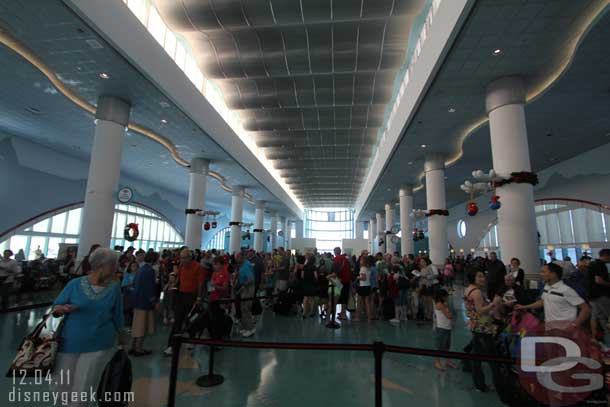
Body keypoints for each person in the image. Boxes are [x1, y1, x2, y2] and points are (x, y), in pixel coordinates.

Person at [51, 248, 127, 407]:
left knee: (84, 387)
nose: (115, 268)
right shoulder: (75, 284)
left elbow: (118, 315)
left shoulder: (113, 288)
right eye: (113, 265)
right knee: (61, 386)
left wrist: (122, 340)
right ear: (101, 265)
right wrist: (62, 309)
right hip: (69, 343)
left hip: (99, 345)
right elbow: (57, 305)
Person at [515, 262, 590, 330]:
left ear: (553, 274)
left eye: (543, 272)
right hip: (550, 328)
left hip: (565, 330)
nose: (540, 274)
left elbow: (586, 309)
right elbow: (542, 302)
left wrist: (574, 325)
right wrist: (524, 307)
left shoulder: (566, 290)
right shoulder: (546, 287)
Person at [464, 269, 502, 392]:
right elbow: (480, 310)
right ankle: (498, 384)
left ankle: (479, 384)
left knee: (477, 355)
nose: (483, 279)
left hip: (475, 325)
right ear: (473, 278)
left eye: (483, 276)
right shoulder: (477, 293)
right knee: (492, 356)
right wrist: (494, 303)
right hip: (483, 327)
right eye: (479, 276)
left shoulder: (468, 289)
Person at [164, 248, 207, 356]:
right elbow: (179, 279)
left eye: (184, 258)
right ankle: (171, 346)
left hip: (192, 297)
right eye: (181, 258)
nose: (182, 260)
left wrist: (199, 298)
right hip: (181, 295)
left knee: (190, 321)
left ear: (190, 257)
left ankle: (192, 340)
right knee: (177, 321)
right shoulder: (182, 266)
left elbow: (201, 284)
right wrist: (172, 285)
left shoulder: (199, 268)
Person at [130, 251, 160, 356]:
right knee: (141, 326)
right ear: (154, 259)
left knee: (136, 325)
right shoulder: (149, 271)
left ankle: (133, 346)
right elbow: (149, 289)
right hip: (144, 302)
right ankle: (138, 348)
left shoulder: (141, 269)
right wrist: (154, 301)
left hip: (137, 300)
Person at [585, 249, 610, 342]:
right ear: (607, 256)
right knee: (608, 315)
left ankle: (594, 337)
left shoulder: (592, 264)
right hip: (601, 294)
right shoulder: (600, 265)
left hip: (592, 294)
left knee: (596, 315)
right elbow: (598, 280)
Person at [433, 289, 457, 371]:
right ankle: (437, 362)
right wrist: (451, 314)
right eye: (446, 296)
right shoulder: (440, 304)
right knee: (439, 346)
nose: (447, 298)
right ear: (442, 297)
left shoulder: (444, 304)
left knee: (447, 346)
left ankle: (447, 360)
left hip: (447, 327)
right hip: (441, 328)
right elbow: (449, 316)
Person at [235, 252, 256, 337]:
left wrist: (243, 287)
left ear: (241, 257)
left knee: (246, 308)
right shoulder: (242, 264)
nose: (235, 259)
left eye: (236, 257)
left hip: (248, 288)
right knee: (243, 308)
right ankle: (246, 327)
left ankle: (250, 329)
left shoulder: (246, 265)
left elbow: (251, 279)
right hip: (245, 287)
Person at [332, 247, 352, 320]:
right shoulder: (346, 259)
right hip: (347, 280)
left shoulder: (336, 259)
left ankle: (343, 314)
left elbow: (336, 271)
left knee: (338, 297)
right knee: (344, 297)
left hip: (340, 280)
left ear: (335, 252)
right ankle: (342, 312)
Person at [354, 255, 372, 322]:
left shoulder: (362, 268)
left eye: (361, 260)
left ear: (363, 261)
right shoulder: (368, 268)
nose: (360, 261)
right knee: (367, 302)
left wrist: (358, 277)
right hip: (368, 285)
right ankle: (369, 318)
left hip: (362, 286)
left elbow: (363, 278)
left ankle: (357, 317)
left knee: (359, 302)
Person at [301, 254, 318, 319]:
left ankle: (304, 313)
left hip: (305, 283)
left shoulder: (304, 267)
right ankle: (311, 312)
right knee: (311, 298)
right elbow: (316, 276)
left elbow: (302, 276)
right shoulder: (314, 267)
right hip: (312, 284)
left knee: (305, 298)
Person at [121, 261, 138, 326]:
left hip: (137, 294)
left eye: (136, 266)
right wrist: (131, 284)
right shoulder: (127, 275)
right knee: (128, 309)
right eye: (133, 266)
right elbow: (123, 285)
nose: (135, 268)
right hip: (129, 294)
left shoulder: (139, 274)